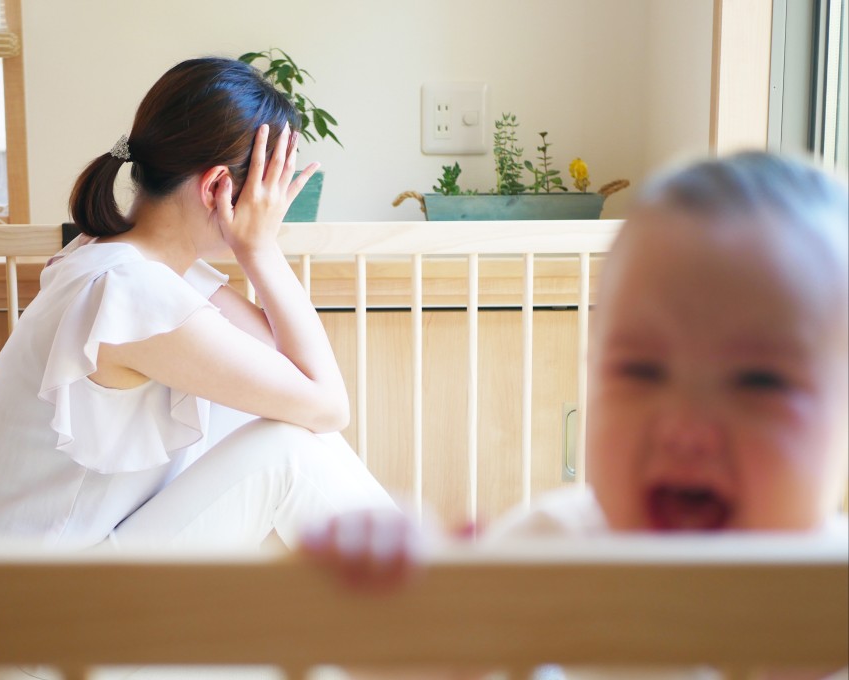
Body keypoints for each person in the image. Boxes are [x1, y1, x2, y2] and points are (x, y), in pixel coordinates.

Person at [301, 151, 849, 679]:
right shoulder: (548, 551)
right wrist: (407, 599)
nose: (684, 430)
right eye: (640, 370)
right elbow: (432, 668)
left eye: (760, 382)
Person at [0, 57, 396, 554]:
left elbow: (293, 377)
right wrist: (260, 249)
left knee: (295, 431)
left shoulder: (124, 260)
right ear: (216, 187)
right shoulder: (129, 288)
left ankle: (420, 581)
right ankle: (431, 588)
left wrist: (257, 247)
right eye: (269, 187)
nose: (275, 206)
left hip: (69, 569)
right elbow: (328, 405)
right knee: (290, 454)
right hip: (43, 592)